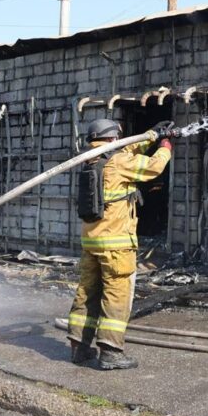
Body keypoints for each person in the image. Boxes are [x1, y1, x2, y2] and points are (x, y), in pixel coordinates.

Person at [67, 119, 174, 370]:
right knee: (116, 296)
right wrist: (165, 145)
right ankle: (111, 352)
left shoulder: (92, 160)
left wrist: (151, 134)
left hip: (91, 241)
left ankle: (79, 348)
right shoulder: (119, 162)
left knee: (87, 294)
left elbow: (126, 150)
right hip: (115, 245)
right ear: (113, 137)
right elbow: (154, 167)